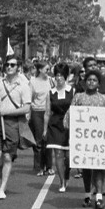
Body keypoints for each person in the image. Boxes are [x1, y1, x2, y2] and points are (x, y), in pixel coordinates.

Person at [65, 70, 105, 209]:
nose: (91, 82)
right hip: (83, 140)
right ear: (85, 82)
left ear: (98, 83)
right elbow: (70, 115)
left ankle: (99, 196)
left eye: (94, 80)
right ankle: (87, 195)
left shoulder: (104, 99)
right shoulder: (78, 97)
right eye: (89, 80)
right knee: (86, 167)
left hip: (100, 140)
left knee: (99, 167)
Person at [0, 56, 32, 200]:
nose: (9, 67)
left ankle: (3, 187)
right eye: (7, 65)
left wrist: (7, 112)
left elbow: (26, 108)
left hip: (12, 123)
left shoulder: (24, 85)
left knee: (7, 156)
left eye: (12, 65)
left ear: (18, 67)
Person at [44, 63, 74, 192]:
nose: (59, 78)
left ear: (66, 76)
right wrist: (45, 129)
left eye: (62, 75)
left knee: (68, 155)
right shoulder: (51, 93)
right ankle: (62, 182)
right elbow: (47, 112)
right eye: (57, 75)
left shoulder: (72, 91)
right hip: (55, 124)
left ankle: (67, 174)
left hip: (70, 125)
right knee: (58, 153)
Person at [30, 61, 53, 176]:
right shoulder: (33, 82)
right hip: (37, 112)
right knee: (39, 140)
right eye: (46, 69)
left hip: (48, 112)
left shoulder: (50, 80)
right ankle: (39, 167)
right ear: (40, 70)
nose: (48, 72)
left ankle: (49, 166)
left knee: (48, 140)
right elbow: (30, 98)